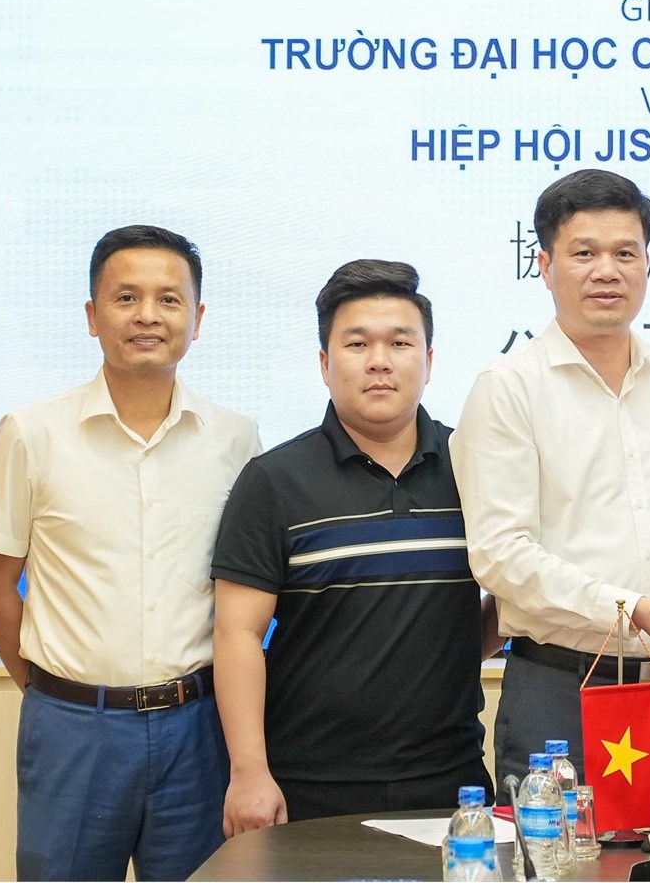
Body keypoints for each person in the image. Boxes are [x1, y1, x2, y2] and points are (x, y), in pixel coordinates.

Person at [0, 224, 260, 881]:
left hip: (198, 728)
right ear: (92, 315)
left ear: (197, 319)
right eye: (126, 297)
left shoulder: (236, 440)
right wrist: (56, 696)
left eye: (168, 299)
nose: (147, 315)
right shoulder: (31, 435)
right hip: (72, 730)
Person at [453, 169, 650, 806]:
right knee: (559, 857)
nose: (606, 270)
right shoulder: (508, 388)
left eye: (625, 253)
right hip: (563, 692)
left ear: (648, 262)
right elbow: (500, 554)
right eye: (584, 253)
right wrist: (631, 608)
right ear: (545, 265)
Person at [210, 259, 498, 830]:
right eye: (357, 343)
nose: (379, 361)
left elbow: (510, 600)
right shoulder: (274, 480)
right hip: (308, 782)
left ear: (429, 360)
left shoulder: (475, 467)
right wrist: (249, 772)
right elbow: (237, 633)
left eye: (400, 343)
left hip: (450, 778)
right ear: (324, 363)